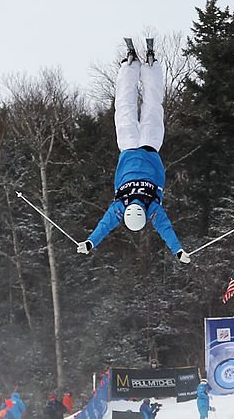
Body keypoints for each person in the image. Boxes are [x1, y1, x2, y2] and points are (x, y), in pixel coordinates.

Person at [77, 43, 188, 263]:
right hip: (128, 146)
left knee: (153, 107)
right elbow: (106, 224)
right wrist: (90, 242)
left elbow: (165, 228)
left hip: (149, 144)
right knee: (125, 107)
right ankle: (130, 67)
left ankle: (149, 66)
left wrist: (179, 251)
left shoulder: (151, 207)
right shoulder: (122, 204)